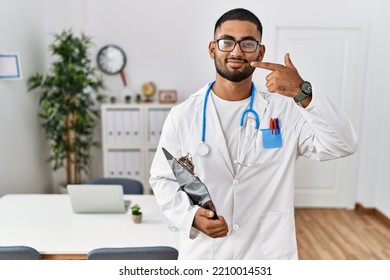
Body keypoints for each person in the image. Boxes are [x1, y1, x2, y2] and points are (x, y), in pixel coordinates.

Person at [149, 8, 357, 259]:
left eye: (247, 43)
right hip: (206, 255)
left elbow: (343, 143)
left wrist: (303, 91)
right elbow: (163, 179)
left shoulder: (285, 110)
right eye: (227, 42)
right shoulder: (183, 115)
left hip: (267, 254)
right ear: (212, 49)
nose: (236, 51)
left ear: (260, 51)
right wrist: (191, 217)